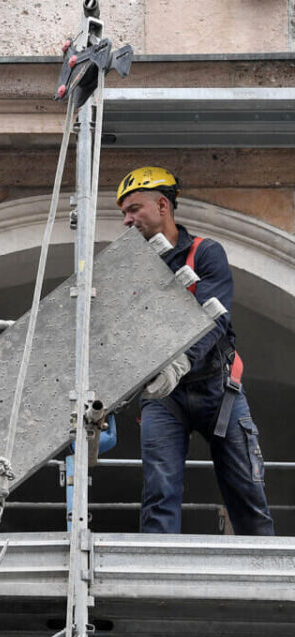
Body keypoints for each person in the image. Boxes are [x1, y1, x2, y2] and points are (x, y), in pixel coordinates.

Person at [117, 166, 273, 535]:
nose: (127, 220)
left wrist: (181, 362)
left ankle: (266, 576)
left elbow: (212, 317)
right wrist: (23, 336)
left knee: (246, 491)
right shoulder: (131, 268)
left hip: (220, 390)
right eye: (124, 212)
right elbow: (98, 324)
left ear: (161, 205)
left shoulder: (205, 253)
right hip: (164, 397)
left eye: (134, 208)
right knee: (159, 490)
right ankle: (159, 577)